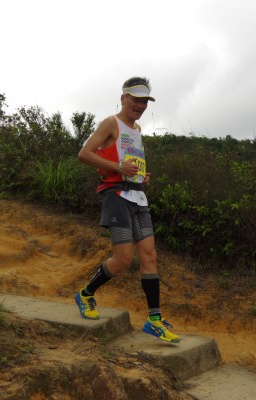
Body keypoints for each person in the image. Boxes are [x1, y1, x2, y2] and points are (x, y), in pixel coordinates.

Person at [75, 77, 180, 343]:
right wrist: (119, 168)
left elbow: (128, 160)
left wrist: (140, 175)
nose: (141, 105)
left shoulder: (137, 129)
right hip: (116, 196)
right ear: (123, 98)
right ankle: (86, 294)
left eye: (145, 101)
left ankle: (154, 320)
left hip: (138, 196)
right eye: (136, 99)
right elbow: (84, 154)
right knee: (123, 260)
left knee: (150, 255)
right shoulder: (111, 123)